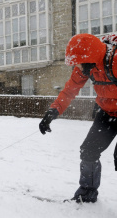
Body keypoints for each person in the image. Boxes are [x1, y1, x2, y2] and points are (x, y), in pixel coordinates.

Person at [39, 33, 117, 203]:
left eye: (79, 63)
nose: (78, 67)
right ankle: (87, 193)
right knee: (88, 150)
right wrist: (53, 111)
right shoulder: (87, 67)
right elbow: (70, 90)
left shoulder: (115, 61)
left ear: (90, 57)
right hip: (107, 112)